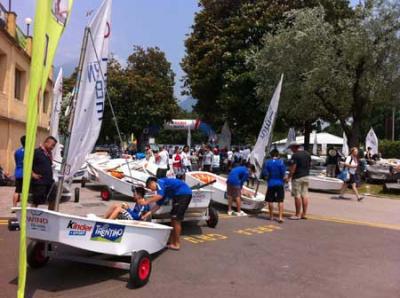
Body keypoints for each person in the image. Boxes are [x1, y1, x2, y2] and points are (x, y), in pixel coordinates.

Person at [140, 177, 192, 250]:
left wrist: (146, 202)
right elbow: (157, 206)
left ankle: (177, 244)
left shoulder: (160, 182)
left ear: (152, 183)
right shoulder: (163, 190)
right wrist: (145, 215)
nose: (152, 190)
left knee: (176, 220)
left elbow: (159, 196)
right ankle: (172, 242)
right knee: (173, 218)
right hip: (179, 196)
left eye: (150, 187)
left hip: (182, 194)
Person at [31, 136, 58, 210]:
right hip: (40, 182)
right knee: (36, 201)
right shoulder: (37, 152)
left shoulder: (48, 154)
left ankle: (51, 215)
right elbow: (26, 164)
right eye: (52, 145)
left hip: (49, 181)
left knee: (53, 199)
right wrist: (32, 174)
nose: (52, 147)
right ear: (46, 142)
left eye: (54, 146)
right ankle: (32, 216)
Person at [287, 141, 311, 220]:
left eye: (291, 148)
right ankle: (304, 214)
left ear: (294, 147)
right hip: (306, 176)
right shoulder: (307, 154)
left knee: (297, 196)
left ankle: (297, 214)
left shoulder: (295, 155)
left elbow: (293, 167)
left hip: (297, 177)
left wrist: (289, 177)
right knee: (305, 195)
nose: (291, 150)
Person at [262, 149, 286, 223]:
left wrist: (267, 178)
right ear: (278, 155)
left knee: (270, 200)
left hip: (271, 183)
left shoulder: (267, 162)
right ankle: (280, 217)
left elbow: (265, 174)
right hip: (279, 182)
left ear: (271, 155)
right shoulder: (281, 162)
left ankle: (271, 216)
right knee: (280, 200)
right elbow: (283, 173)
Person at [12, 136, 25, 211]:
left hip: (18, 171)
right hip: (25, 173)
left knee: (17, 190)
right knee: (24, 191)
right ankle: (22, 207)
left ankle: (14, 207)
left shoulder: (17, 151)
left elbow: (16, 161)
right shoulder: (29, 151)